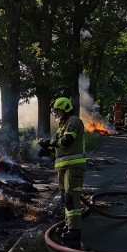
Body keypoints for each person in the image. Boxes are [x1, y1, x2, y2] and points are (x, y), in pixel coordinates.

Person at [38, 97, 86, 244]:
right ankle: (69, 225)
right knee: (66, 199)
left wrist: (49, 143)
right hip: (64, 167)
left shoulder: (73, 121)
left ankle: (75, 231)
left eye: (58, 110)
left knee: (71, 198)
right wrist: (49, 153)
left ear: (65, 108)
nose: (56, 113)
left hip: (73, 166)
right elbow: (61, 150)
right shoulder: (62, 124)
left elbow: (67, 141)